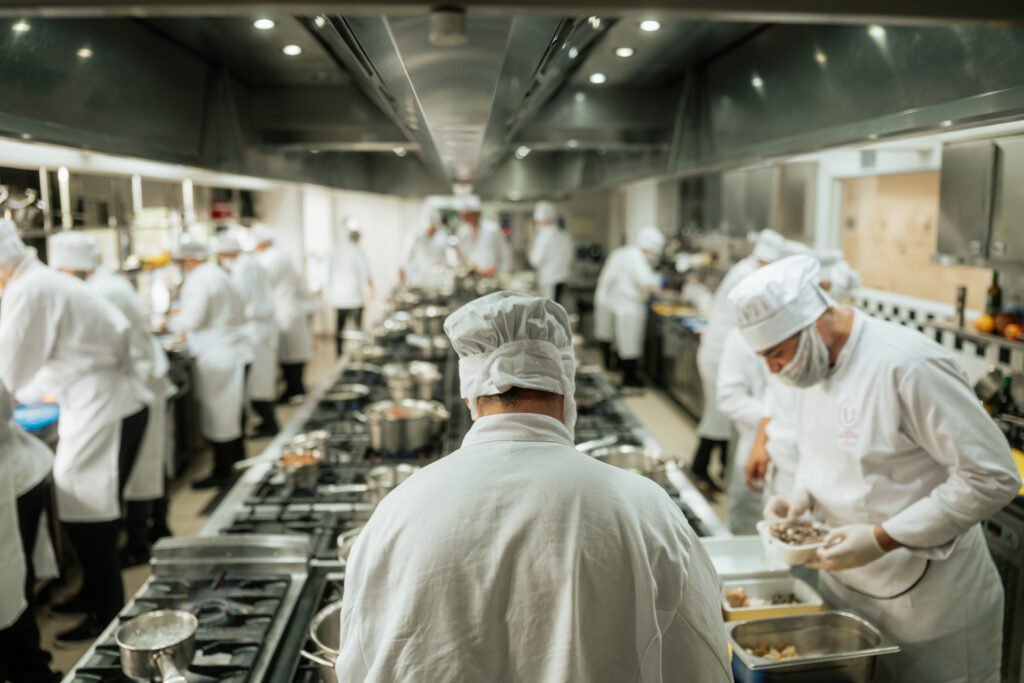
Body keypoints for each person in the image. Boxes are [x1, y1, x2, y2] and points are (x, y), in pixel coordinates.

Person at [335, 291, 731, 682]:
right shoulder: (648, 512)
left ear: (469, 397)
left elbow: (357, 667)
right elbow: (705, 665)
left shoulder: (394, 514)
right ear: (565, 387)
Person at [730, 254, 1020, 683]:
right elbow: (830, 451)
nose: (773, 368)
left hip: (932, 610)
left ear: (813, 323)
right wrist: (801, 496)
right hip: (848, 595)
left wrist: (884, 537)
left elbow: (994, 476)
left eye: (776, 353)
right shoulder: (810, 367)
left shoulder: (907, 364)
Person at [0, 221, 150, 644]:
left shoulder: (29, 290)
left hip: (100, 403)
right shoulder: (39, 282)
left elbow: (8, 373)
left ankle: (107, 614)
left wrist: (20, 392)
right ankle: (93, 594)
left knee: (91, 513)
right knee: (84, 509)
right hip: (101, 398)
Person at [49, 231, 177, 566]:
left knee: (143, 470)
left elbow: (107, 347)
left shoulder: (101, 291)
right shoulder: (105, 284)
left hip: (138, 383)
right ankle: (154, 531)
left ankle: (141, 541)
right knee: (148, 466)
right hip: (140, 381)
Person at [744, 252, 863, 498]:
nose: (774, 366)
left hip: (824, 481)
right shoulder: (784, 344)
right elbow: (774, 392)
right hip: (781, 466)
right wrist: (760, 443)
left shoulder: (843, 353)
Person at [690, 228, 788, 493]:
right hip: (720, 353)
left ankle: (722, 467)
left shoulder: (746, 269)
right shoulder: (748, 275)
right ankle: (699, 468)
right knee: (717, 416)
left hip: (722, 349)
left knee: (722, 419)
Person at [168, 238, 253, 490]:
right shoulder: (218, 274)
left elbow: (193, 320)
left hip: (219, 354)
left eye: (182, 261)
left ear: (192, 258)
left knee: (221, 416)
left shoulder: (200, 279)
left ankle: (224, 472)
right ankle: (236, 462)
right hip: (233, 349)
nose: (181, 265)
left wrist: (169, 323)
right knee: (232, 414)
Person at [0, 380, 62, 682]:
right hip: (14, 478)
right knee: (13, 587)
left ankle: (32, 671)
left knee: (12, 587)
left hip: (13, 480)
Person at [213, 233, 279, 438]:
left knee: (258, 383)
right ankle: (268, 422)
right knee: (261, 381)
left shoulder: (243, 267)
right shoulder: (248, 263)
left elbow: (240, 299)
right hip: (259, 326)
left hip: (257, 328)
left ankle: (270, 424)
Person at [252, 225, 314, 403]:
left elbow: (263, 285)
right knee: (293, 352)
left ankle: (295, 390)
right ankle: (295, 388)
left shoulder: (270, 259)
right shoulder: (279, 255)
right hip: (291, 308)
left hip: (285, 310)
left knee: (290, 354)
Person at [600, 226, 665, 388]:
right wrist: (659, 281)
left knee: (624, 342)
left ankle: (626, 375)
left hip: (621, 304)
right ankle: (629, 378)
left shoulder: (626, 253)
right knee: (630, 343)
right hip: (631, 306)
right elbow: (645, 281)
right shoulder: (636, 256)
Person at [327, 217, 374, 356]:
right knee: (357, 330)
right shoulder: (357, 250)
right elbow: (366, 273)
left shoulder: (335, 250)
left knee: (340, 328)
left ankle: (339, 355)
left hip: (338, 296)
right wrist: (372, 290)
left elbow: (329, 274)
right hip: (354, 296)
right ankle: (358, 354)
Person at [528, 201, 574, 305]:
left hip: (549, 280)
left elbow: (535, 261)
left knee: (550, 309)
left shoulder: (543, 236)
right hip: (563, 279)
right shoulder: (564, 235)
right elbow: (570, 258)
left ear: (540, 220)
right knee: (559, 307)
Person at [455, 195, 509, 276]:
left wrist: (504, 272)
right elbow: (462, 254)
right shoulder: (463, 231)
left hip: (491, 274)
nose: (464, 218)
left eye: (467, 215)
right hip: (471, 274)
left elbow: (504, 251)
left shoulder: (492, 229)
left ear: (475, 214)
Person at [399, 208, 448, 288]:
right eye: (432, 228)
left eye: (435, 229)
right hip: (415, 283)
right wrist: (402, 284)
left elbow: (445, 260)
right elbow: (402, 264)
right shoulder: (415, 238)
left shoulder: (441, 238)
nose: (433, 231)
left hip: (434, 284)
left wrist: (442, 265)